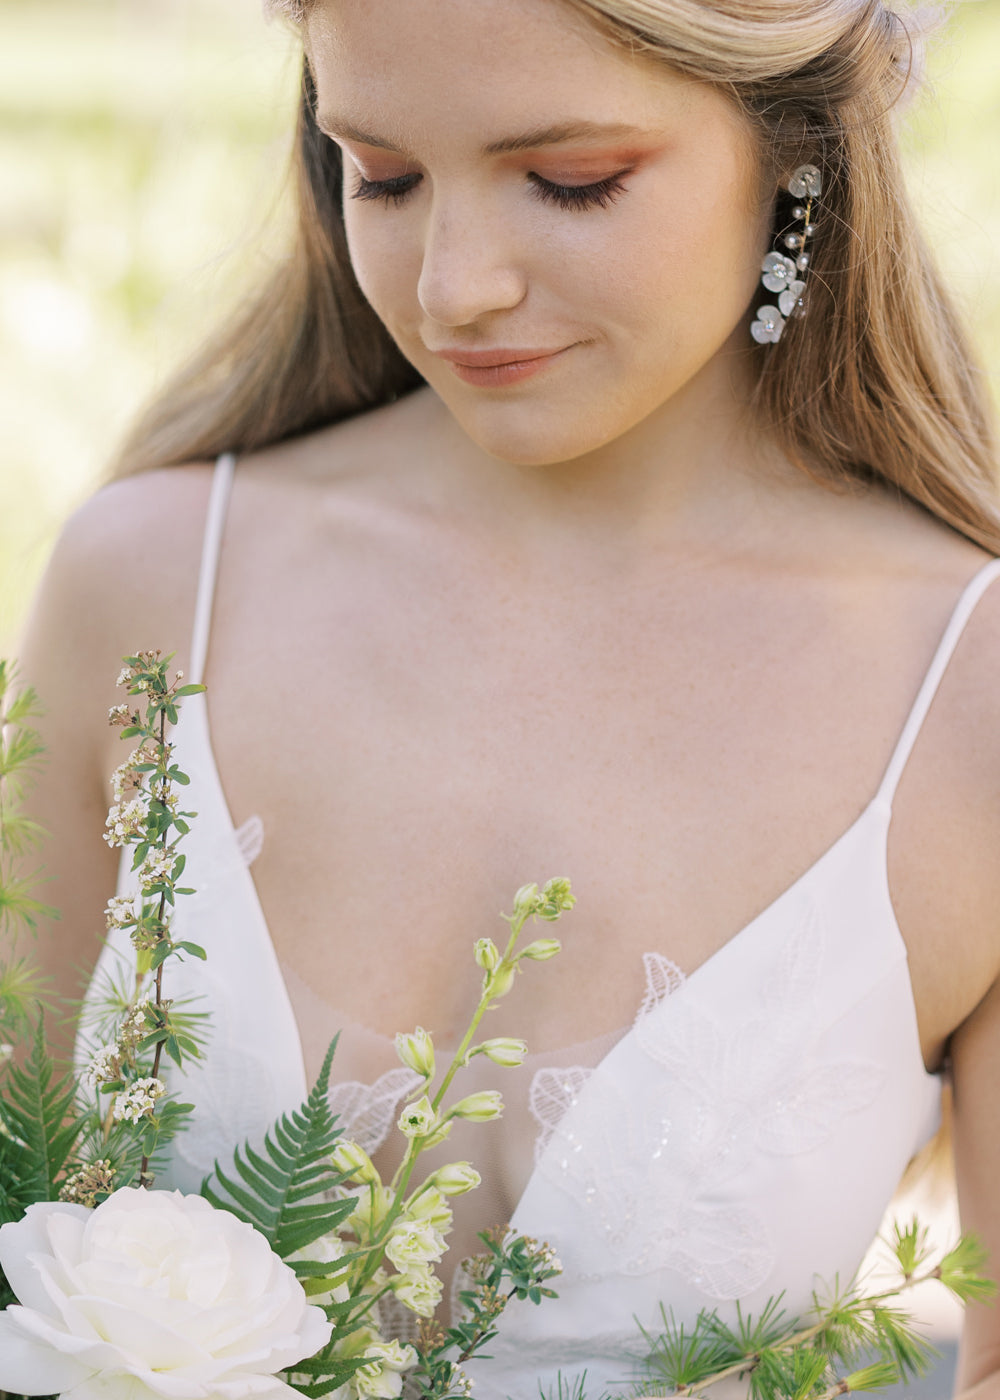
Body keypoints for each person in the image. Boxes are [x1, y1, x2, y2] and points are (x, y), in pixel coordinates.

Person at [13, 0, 1000, 1397]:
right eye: (385, 176)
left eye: (571, 180)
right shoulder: (152, 587)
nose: (453, 288)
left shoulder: (970, 697)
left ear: (796, 147)